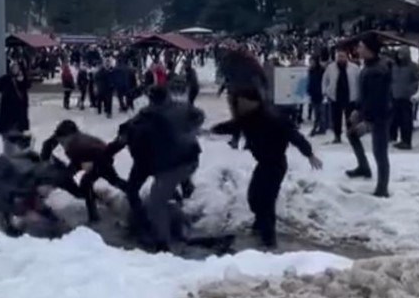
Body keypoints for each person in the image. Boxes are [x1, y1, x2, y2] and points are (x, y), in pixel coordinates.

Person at [212, 86, 321, 248]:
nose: (239, 106)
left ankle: (269, 241)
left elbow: (294, 135)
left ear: (252, 102)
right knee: (254, 198)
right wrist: (215, 129)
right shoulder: (249, 116)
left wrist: (309, 154)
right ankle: (260, 226)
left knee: (265, 201)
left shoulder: (273, 116)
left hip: (275, 164)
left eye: (242, 102)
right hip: (264, 163)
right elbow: (234, 125)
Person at [104, 86, 205, 251]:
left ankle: (163, 241)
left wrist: (190, 130)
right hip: (151, 161)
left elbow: (183, 148)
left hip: (167, 162)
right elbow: (118, 143)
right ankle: (144, 221)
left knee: (157, 199)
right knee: (136, 190)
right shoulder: (144, 117)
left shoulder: (172, 113)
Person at [40, 120, 129, 223]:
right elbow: (49, 144)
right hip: (90, 157)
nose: (61, 143)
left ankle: (94, 215)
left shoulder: (78, 145)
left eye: (63, 141)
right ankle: (128, 191)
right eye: (60, 140)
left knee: (90, 182)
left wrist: (89, 165)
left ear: (70, 136)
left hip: (101, 159)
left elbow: (99, 154)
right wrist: (45, 158)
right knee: (106, 180)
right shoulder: (68, 138)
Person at [346, 34, 393, 198]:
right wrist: (357, 109)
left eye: (360, 46)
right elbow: (364, 94)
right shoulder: (368, 66)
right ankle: (363, 167)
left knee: (380, 152)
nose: (357, 49)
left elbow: (376, 99)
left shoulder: (377, 71)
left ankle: (382, 188)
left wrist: (367, 120)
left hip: (379, 116)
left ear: (369, 49)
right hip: (368, 112)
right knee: (352, 134)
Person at [322, 49, 360, 143]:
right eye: (339, 56)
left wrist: (359, 94)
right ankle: (337, 136)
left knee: (350, 118)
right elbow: (325, 80)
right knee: (336, 118)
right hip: (335, 96)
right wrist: (325, 91)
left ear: (347, 57)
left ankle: (351, 135)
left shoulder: (354, 68)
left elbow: (359, 81)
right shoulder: (331, 67)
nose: (341, 58)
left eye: (342, 56)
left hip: (350, 96)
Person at [0, 60, 31, 154]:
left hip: (19, 120)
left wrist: (21, 79)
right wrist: (10, 78)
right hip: (8, 119)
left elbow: (27, 85)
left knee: (19, 145)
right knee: (9, 145)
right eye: (13, 68)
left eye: (17, 68)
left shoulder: (23, 83)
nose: (16, 70)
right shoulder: (7, 81)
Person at [389, 46, 419, 150]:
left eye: (402, 54)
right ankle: (394, 137)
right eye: (399, 54)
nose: (400, 56)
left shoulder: (413, 66)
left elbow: (417, 80)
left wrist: (411, 89)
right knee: (394, 118)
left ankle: (406, 141)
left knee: (406, 121)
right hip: (395, 96)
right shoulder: (394, 66)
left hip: (407, 98)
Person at [307, 56, 326, 137]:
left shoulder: (321, 70)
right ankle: (318, 127)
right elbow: (310, 81)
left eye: (312, 61)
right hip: (313, 93)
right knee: (316, 112)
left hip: (320, 93)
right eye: (310, 62)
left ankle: (321, 127)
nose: (311, 63)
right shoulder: (310, 71)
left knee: (321, 112)